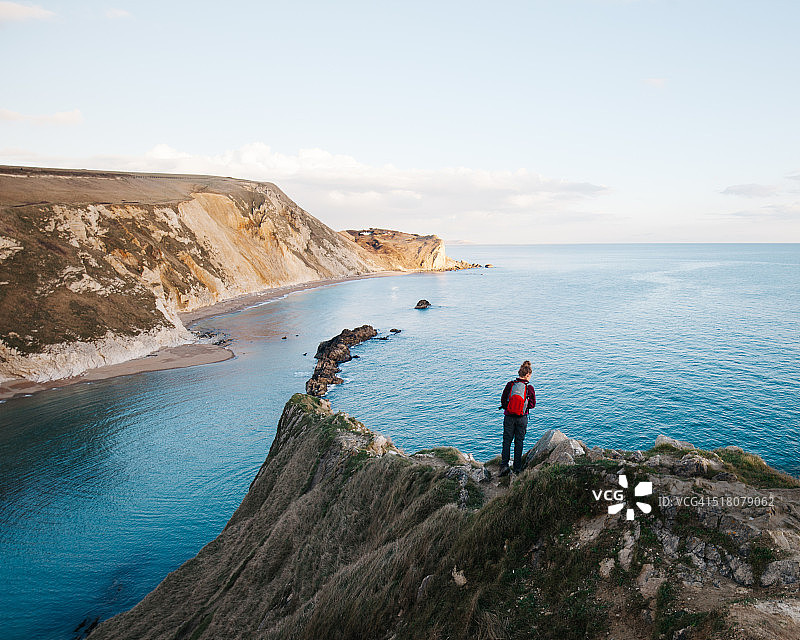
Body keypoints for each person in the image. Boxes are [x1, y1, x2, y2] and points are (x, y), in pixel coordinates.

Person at [499, 360, 536, 476]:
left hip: (509, 417)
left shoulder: (510, 385)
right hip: (522, 418)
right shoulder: (529, 388)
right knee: (519, 442)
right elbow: (532, 404)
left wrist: (510, 409)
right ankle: (517, 468)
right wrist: (523, 409)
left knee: (507, 441)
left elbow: (503, 400)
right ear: (527, 375)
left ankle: (504, 466)